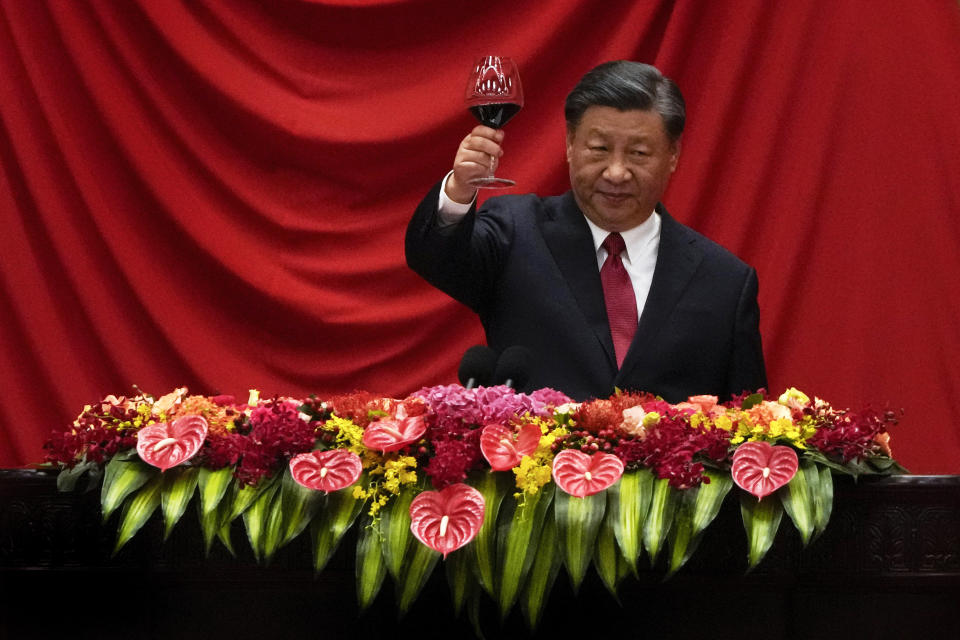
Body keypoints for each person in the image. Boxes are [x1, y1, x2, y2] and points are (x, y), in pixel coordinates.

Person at [406, 61, 766, 403]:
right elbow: (438, 257)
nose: (616, 172)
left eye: (639, 153)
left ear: (673, 155)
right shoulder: (516, 232)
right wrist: (459, 190)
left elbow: (752, 425)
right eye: (599, 149)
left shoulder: (725, 283)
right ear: (570, 144)